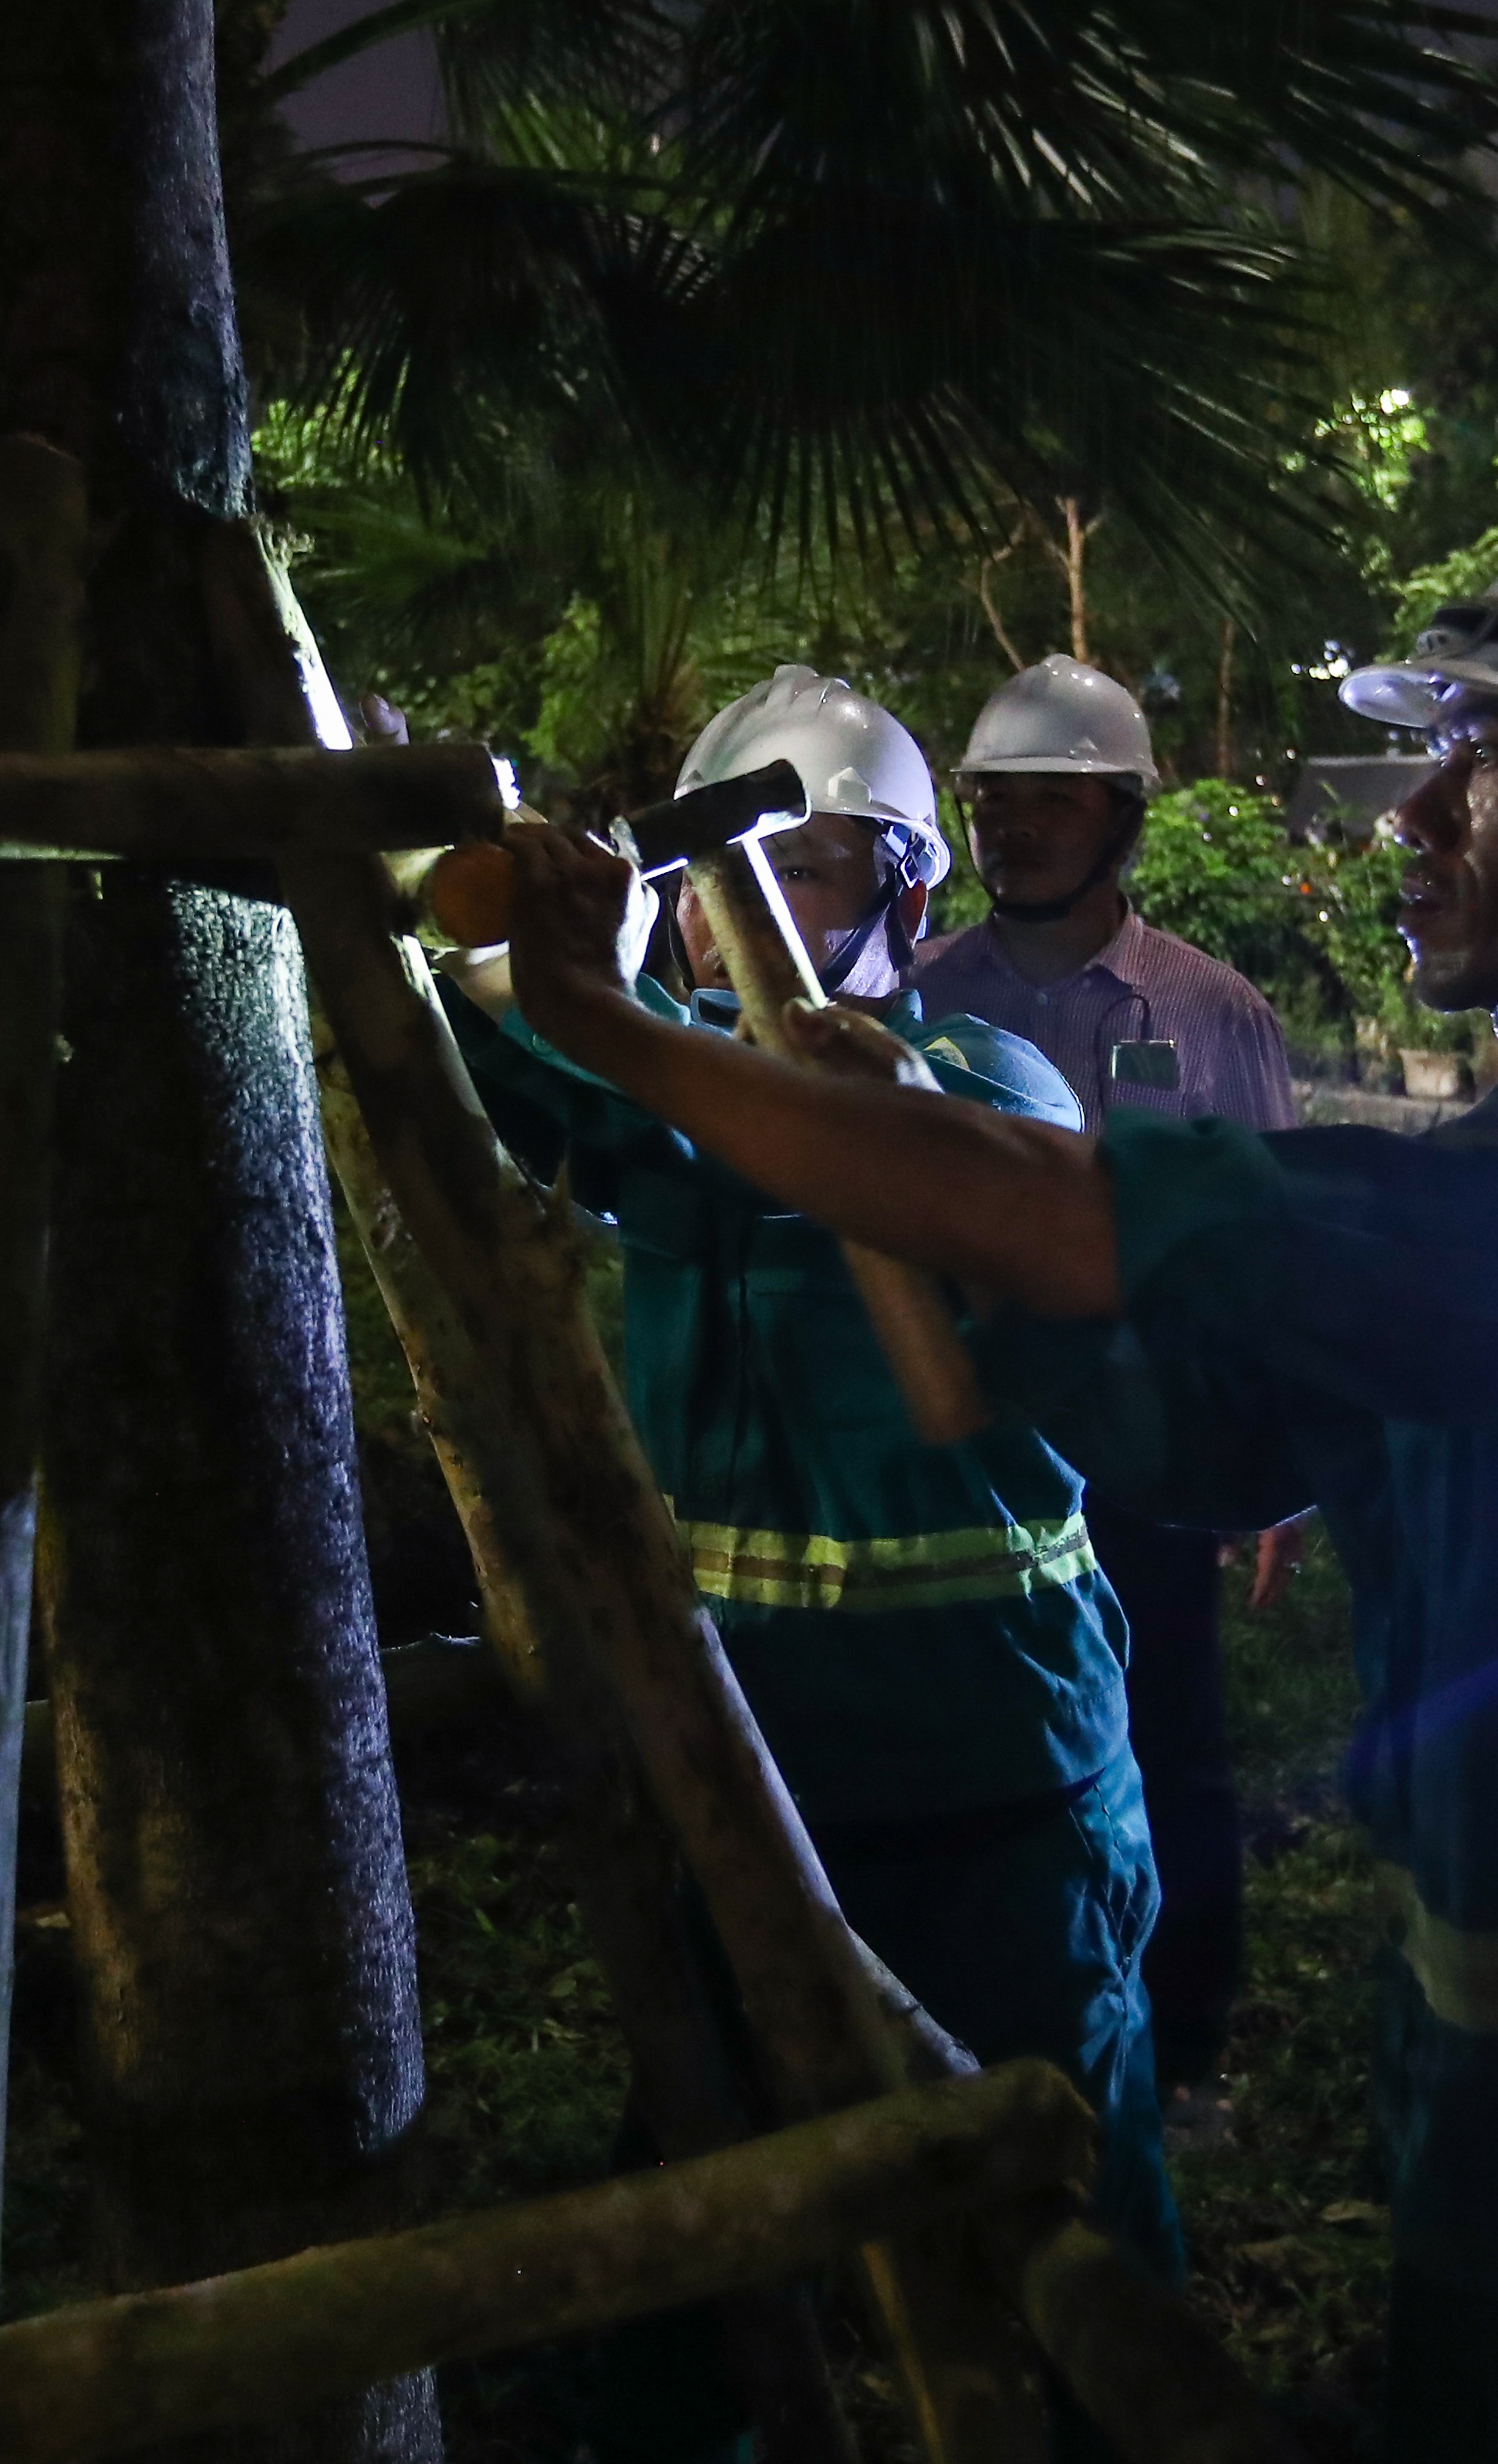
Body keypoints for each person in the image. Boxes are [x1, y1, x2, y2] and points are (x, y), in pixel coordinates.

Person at [489, 511, 1498, 2461]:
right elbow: (1209, 1425)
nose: (1418, 817)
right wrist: (913, 1175)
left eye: (1490, 757)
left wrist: (618, 1027)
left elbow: (1102, 1222)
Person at [440, 666, 1180, 2304]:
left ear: (905, 887)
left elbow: (760, 1125)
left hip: (994, 1763)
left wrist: (591, 1006)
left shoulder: (987, 1089)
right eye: (696, 884)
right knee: (720, 2209)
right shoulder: (670, 1082)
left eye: (796, 869)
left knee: (1058, 2200)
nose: (727, 920)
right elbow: (505, 1056)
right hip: (743, 1756)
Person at [910, 652, 1299, 2096]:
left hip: (1144, 1444)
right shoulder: (918, 997)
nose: (1009, 830)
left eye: (1046, 803)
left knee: (1170, 1733)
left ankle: (1181, 2040)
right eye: (989, 804)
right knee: (989, 1727)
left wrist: (1275, 1467)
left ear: (1122, 817)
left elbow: (1267, 1248)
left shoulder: (1208, 1014)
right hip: (972, 1436)